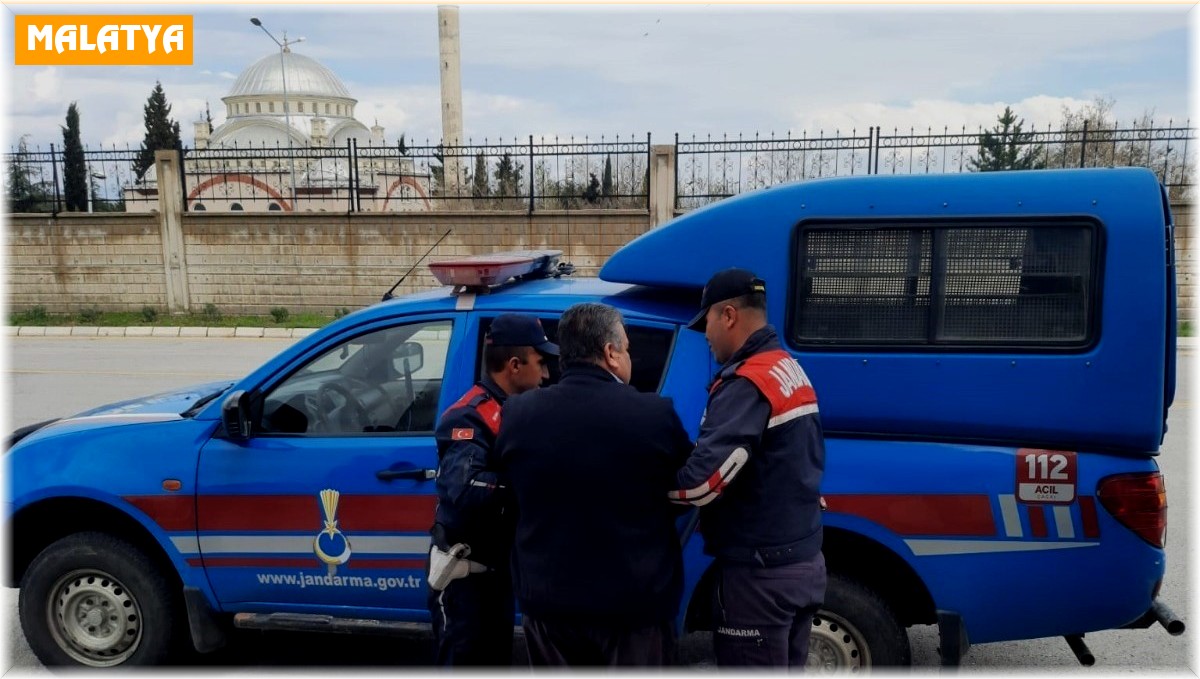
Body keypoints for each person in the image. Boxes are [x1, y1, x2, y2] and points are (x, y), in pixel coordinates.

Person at [496, 303, 693, 667]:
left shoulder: (517, 413)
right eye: (628, 348)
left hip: (548, 605)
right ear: (610, 353)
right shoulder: (653, 415)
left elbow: (512, 484)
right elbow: (687, 488)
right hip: (633, 607)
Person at [669, 268, 827, 668]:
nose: (705, 335)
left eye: (706, 322)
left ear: (728, 316)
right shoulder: (786, 366)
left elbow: (701, 484)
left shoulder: (747, 382)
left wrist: (643, 492)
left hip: (761, 577)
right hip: (802, 561)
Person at [426, 313, 557, 666]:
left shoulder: (515, 410)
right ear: (515, 365)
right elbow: (466, 487)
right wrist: (532, 483)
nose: (545, 374)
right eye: (540, 362)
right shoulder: (469, 417)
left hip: (496, 574)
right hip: (464, 579)